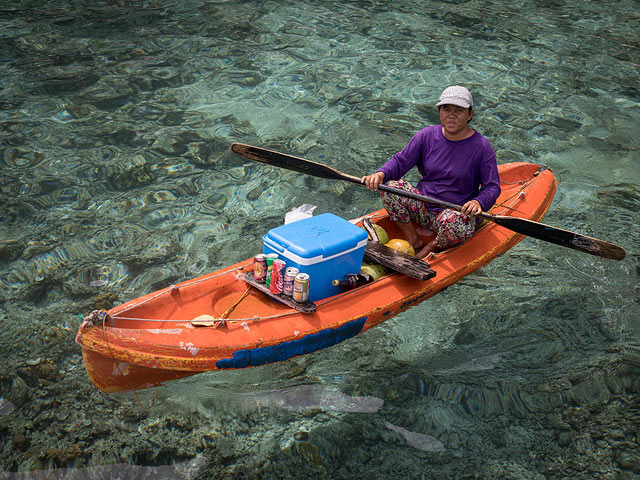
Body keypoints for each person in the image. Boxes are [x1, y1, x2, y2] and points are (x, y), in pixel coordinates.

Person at [361, 85, 501, 258]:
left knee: (458, 223)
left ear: (470, 114)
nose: (451, 115)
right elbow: (401, 161)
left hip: (452, 214)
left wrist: (478, 203)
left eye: (459, 110)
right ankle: (414, 240)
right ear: (440, 111)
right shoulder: (426, 135)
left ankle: (431, 248)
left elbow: (492, 186)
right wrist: (380, 174)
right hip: (422, 205)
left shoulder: (482, 147)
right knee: (390, 187)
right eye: (446, 109)